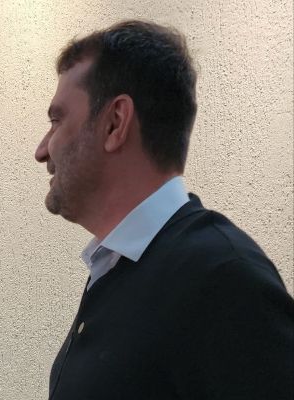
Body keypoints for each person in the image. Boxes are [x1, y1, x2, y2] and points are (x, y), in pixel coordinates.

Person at [34, 20, 293, 400]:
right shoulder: (118, 267)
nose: (42, 150)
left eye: (57, 121)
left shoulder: (224, 278)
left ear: (115, 123)